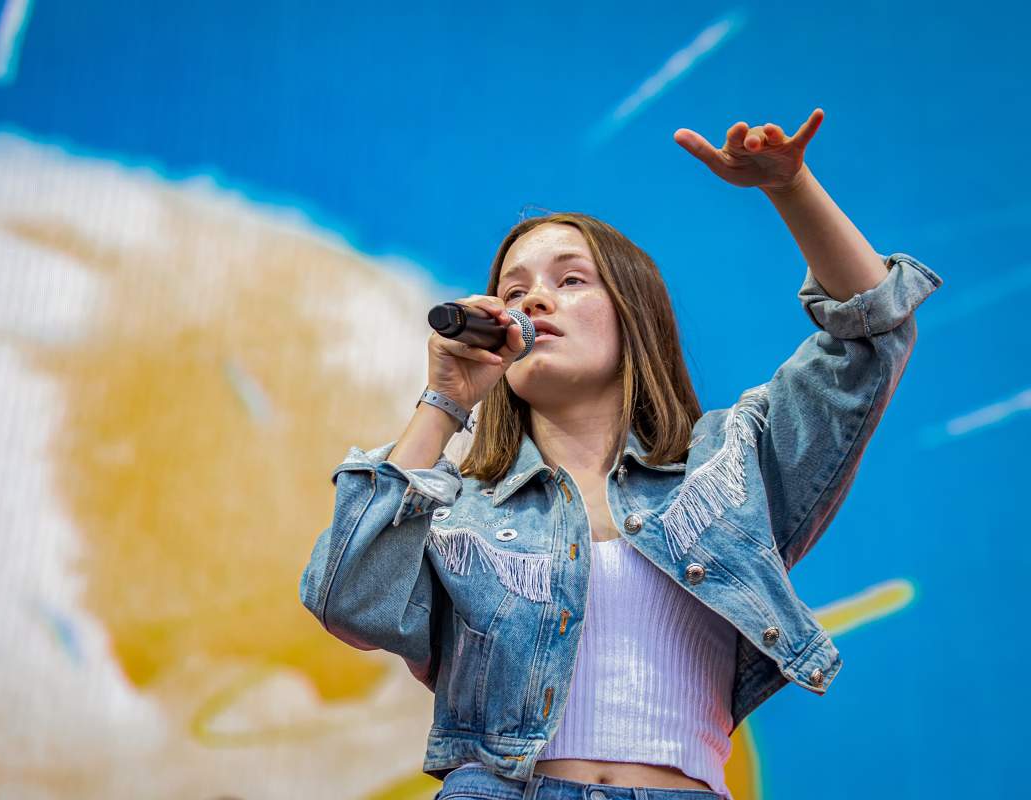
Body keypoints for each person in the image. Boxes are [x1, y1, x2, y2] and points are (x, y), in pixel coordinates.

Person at [298, 110, 943, 800]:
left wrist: (791, 188)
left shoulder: (730, 468)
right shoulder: (458, 509)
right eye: (515, 292)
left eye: (570, 281)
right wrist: (446, 401)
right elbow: (348, 600)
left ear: (633, 313)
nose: (535, 298)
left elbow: (869, 334)